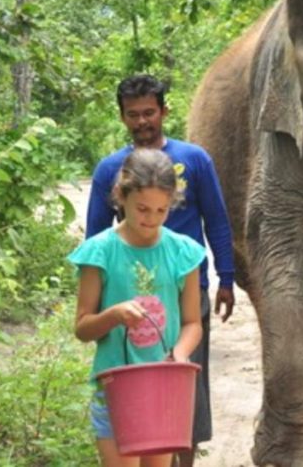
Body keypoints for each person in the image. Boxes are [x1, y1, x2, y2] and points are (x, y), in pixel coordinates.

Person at [85, 75, 235, 464]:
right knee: (127, 398)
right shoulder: (111, 169)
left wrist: (226, 277)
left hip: (185, 289)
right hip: (126, 299)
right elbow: (95, 237)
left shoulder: (195, 160)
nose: (142, 121)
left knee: (184, 389)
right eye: (132, 115)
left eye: (149, 112)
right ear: (122, 118)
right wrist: (105, 307)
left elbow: (216, 220)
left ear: (164, 111)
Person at [70, 148, 205, 467]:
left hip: (163, 388)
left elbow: (192, 322)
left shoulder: (183, 252)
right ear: (121, 195)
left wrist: (180, 354)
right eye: (143, 209)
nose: (151, 219)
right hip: (115, 390)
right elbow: (82, 327)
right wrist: (114, 315)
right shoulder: (99, 252)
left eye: (161, 210)